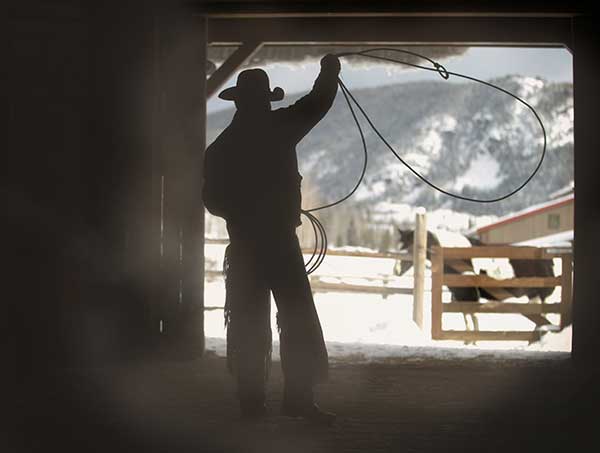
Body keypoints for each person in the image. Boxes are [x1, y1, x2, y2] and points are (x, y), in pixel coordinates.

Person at [203, 54, 341, 423]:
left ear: (238, 102)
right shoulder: (281, 127)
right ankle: (298, 400)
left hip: (245, 246)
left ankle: (251, 401)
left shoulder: (220, 148)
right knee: (296, 318)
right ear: (266, 99)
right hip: (280, 244)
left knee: (248, 320)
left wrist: (243, 211)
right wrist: (329, 72)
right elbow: (318, 102)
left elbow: (211, 199)